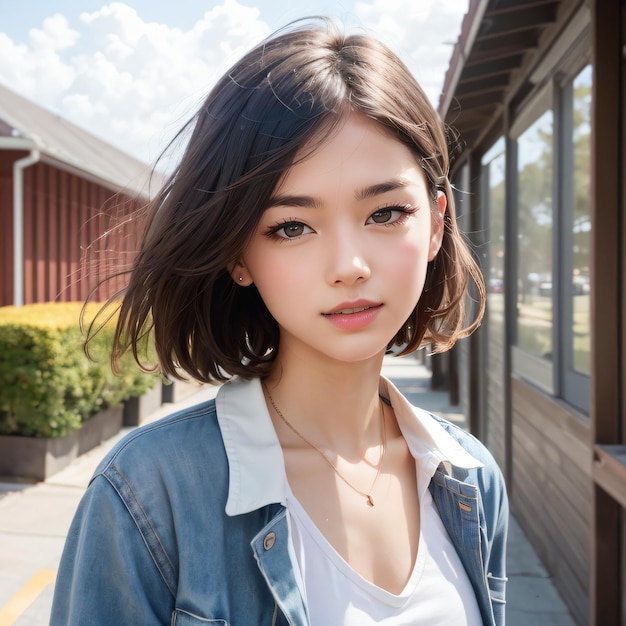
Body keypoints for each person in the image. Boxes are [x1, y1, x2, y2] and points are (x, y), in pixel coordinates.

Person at [50, 17, 508, 626]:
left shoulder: (472, 480)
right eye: (292, 226)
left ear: (436, 223)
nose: (348, 266)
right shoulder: (147, 494)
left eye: (386, 212)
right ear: (239, 253)